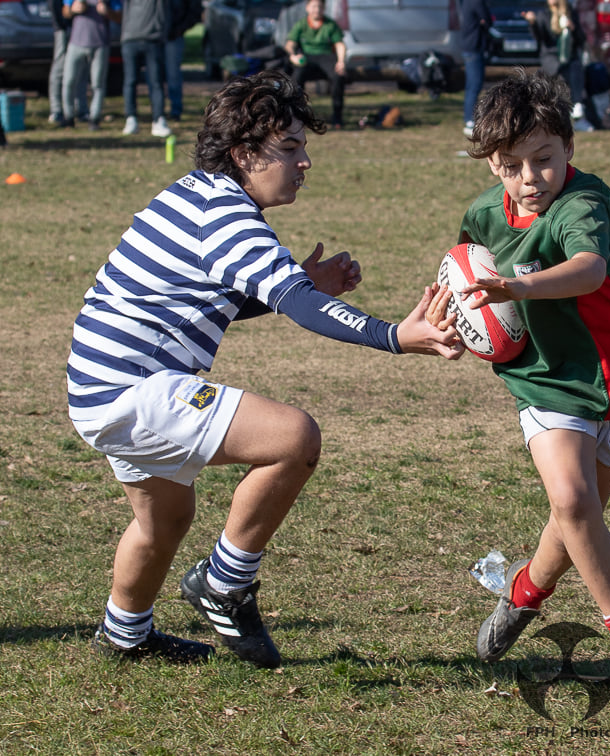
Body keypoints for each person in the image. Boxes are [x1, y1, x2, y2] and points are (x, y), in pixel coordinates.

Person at [67, 69, 461, 666]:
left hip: (99, 384)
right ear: (245, 153)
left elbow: (204, 296)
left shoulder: (196, 193)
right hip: (130, 389)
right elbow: (302, 307)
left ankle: (125, 636)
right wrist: (395, 336)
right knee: (293, 439)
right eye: (291, 148)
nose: (304, 163)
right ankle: (224, 584)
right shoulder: (228, 216)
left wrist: (300, 283)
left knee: (164, 521)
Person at [430, 69, 610, 705]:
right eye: (511, 164)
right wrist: (457, 321)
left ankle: (522, 595)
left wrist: (518, 287)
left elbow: (588, 269)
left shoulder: (584, 204)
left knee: (576, 519)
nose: (529, 178)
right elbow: (465, 277)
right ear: (491, 162)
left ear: (568, 148)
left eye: (543, 159)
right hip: (542, 378)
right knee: (575, 503)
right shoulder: (485, 214)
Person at [523, 0, 592, 131]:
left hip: (568, 57)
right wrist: (533, 23)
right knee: (562, 72)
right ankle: (569, 113)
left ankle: (578, 107)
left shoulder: (570, 14)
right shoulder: (543, 15)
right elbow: (541, 38)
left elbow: (581, 39)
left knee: (575, 67)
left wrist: (573, 28)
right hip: (551, 57)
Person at [285, 0, 348, 129]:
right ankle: (297, 115)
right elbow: (290, 43)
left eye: (319, 7)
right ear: (308, 8)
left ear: (323, 8)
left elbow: (339, 44)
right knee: (296, 78)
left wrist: (341, 62)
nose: (317, 10)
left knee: (338, 76)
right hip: (307, 58)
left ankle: (337, 117)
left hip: (326, 57)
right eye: (314, 6)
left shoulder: (330, 25)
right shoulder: (301, 24)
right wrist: (293, 56)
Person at [61, 0, 121, 130]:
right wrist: (73, 10)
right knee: (69, 81)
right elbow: (65, 11)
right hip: (76, 43)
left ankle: (94, 119)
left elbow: (119, 17)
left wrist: (107, 12)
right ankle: (69, 117)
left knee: (97, 84)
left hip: (100, 44)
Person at [120, 0, 172, 137]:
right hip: (130, 39)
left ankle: (158, 119)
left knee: (155, 82)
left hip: (153, 40)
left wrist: (161, 32)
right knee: (130, 81)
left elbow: (163, 12)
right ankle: (130, 118)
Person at [164, 0, 203, 126]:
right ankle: (158, 113)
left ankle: (175, 110)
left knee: (173, 74)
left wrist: (180, 29)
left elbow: (195, 11)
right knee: (153, 76)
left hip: (174, 35)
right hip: (153, 36)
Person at [48, 0, 84, 126]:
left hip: (79, 27)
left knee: (80, 68)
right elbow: (55, 5)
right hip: (62, 27)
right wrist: (60, 25)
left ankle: (80, 109)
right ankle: (56, 110)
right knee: (60, 67)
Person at [459, 0, 492, 138]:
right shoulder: (476, 1)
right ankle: (470, 121)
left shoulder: (465, 2)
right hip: (474, 48)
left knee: (471, 86)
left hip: (468, 47)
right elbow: (488, 19)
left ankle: (469, 119)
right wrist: (484, 22)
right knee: (474, 85)